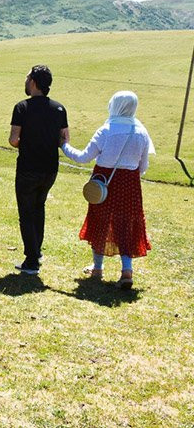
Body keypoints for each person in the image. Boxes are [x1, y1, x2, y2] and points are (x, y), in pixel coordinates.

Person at [61, 91, 154, 289]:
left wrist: (64, 145)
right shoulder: (141, 132)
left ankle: (97, 268)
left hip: (103, 181)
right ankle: (126, 270)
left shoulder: (106, 130)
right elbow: (143, 167)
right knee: (126, 223)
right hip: (129, 184)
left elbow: (83, 157)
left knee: (100, 221)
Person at [8, 65, 69, 274]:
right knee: (39, 208)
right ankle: (37, 251)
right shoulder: (59, 108)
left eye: (27, 78)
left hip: (28, 167)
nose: (25, 81)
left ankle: (31, 260)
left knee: (26, 212)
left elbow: (14, 140)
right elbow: (64, 139)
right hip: (50, 168)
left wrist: (27, 141)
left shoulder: (22, 107)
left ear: (33, 82)